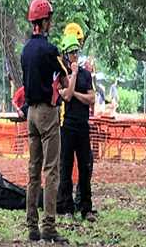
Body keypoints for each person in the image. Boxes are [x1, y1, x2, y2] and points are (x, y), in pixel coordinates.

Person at [21, 0, 72, 243]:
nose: (51, 22)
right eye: (49, 18)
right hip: (47, 113)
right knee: (52, 171)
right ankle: (49, 226)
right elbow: (64, 78)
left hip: (30, 113)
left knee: (33, 171)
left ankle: (32, 226)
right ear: (44, 20)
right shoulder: (49, 50)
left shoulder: (25, 50)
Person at [56, 34, 96, 222]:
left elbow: (92, 98)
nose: (75, 55)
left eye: (76, 52)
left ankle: (86, 207)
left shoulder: (86, 74)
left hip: (82, 126)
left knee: (85, 167)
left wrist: (78, 92)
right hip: (68, 126)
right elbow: (67, 95)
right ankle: (67, 207)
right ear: (65, 54)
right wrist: (72, 75)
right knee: (66, 167)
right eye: (71, 52)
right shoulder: (61, 75)